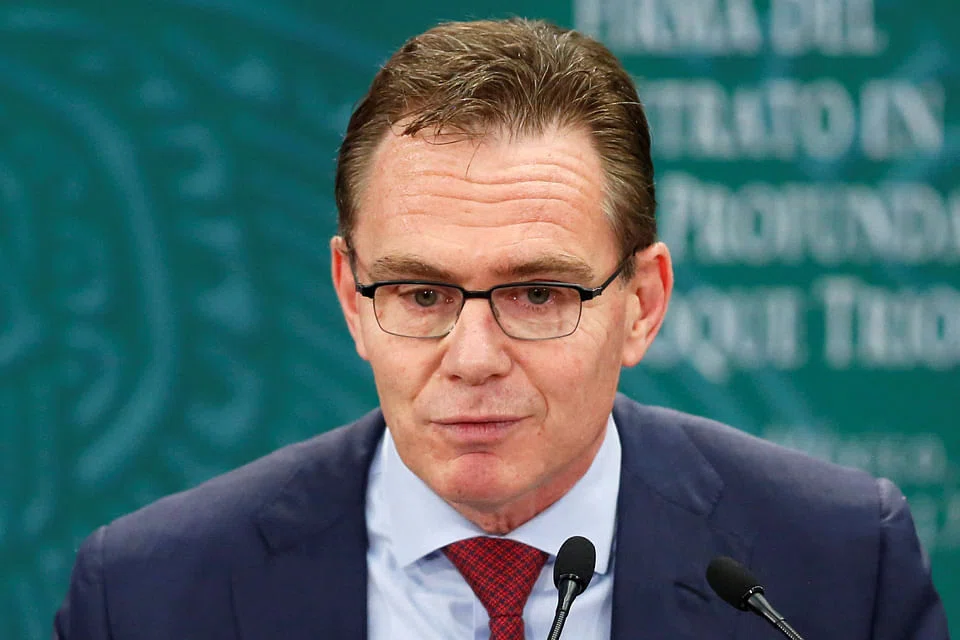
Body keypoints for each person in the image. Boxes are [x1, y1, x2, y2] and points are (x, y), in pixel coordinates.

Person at [54, 18, 948, 640]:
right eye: (420, 294)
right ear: (351, 298)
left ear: (641, 303)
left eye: (538, 295)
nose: (474, 360)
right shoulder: (146, 595)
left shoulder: (834, 567)